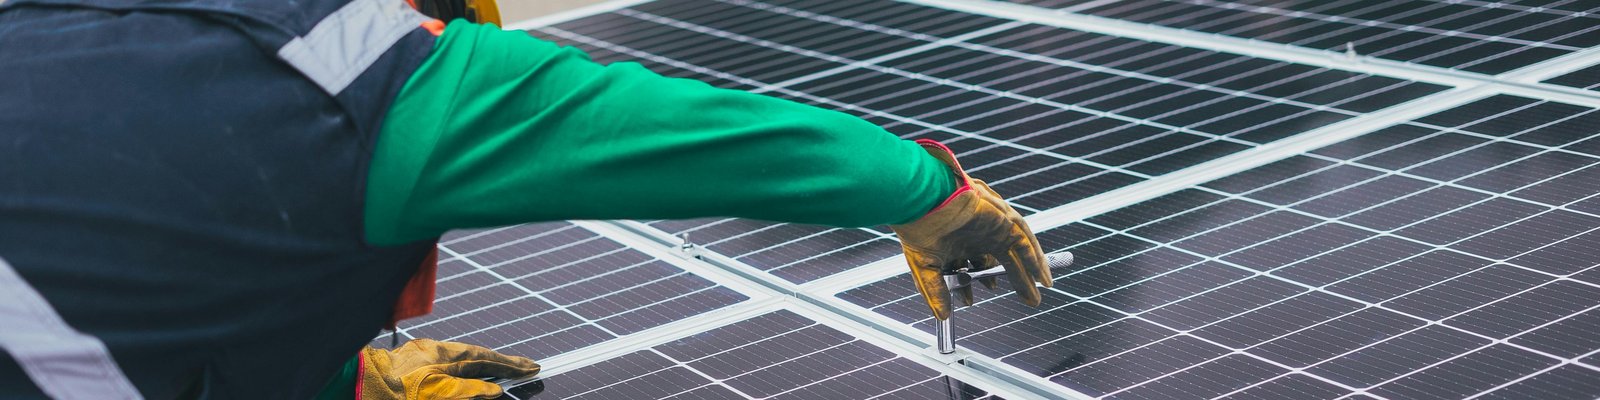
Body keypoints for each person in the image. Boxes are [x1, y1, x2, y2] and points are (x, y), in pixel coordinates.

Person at [0, 0, 1052, 398]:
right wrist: (929, 192)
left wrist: (347, 381)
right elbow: (688, 132)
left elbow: (170, 259)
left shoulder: (72, 27)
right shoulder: (371, 76)